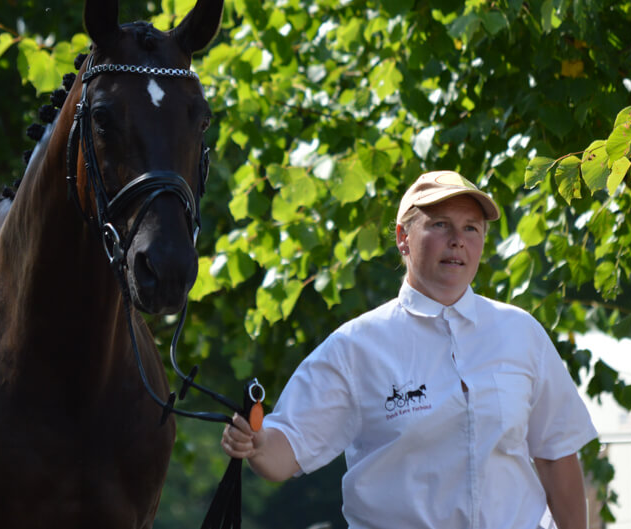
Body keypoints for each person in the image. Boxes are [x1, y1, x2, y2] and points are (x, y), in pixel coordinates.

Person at [221, 170, 598, 529]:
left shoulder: (520, 332)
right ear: (403, 237)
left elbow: (556, 454)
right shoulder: (356, 346)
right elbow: (285, 450)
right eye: (440, 225)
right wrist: (255, 442)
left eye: (471, 228)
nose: (458, 240)